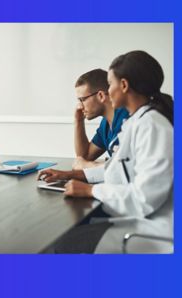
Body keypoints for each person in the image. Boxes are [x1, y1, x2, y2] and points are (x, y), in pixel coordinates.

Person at [38, 50, 173, 253]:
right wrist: (68, 174)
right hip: (136, 218)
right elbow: (116, 169)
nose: (107, 92)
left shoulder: (152, 126)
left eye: (110, 84)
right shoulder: (137, 121)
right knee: (69, 234)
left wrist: (91, 190)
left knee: (58, 246)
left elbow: (144, 199)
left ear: (124, 85)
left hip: (152, 229)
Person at [72, 69, 129, 170]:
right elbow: (84, 157)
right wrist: (78, 121)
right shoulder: (105, 124)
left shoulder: (127, 119)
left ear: (101, 96)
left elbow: (127, 168)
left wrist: (90, 165)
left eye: (83, 99)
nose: (80, 106)